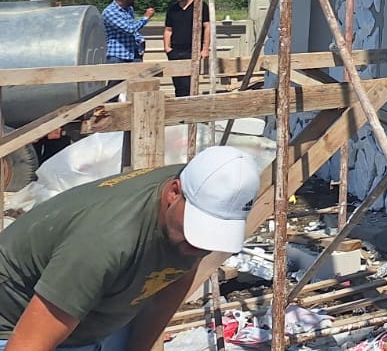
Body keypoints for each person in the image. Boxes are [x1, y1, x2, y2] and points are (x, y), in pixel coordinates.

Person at [0, 146, 261, 351]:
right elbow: (28, 344)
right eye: (198, 228)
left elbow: (176, 277)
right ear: (173, 192)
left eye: (212, 234)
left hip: (98, 318)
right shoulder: (103, 242)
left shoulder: (198, 202)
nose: (199, 245)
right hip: (17, 321)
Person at [161, 0, 210, 98]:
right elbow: (168, 29)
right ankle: (180, 106)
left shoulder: (199, 6)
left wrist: (205, 48)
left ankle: (189, 105)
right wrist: (167, 48)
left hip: (192, 50)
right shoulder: (172, 9)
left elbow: (207, 27)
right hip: (175, 51)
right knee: (178, 84)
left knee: (189, 84)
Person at [102, 0, 154, 64]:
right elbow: (129, 29)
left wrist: (140, 40)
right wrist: (146, 17)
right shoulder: (110, 11)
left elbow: (133, 27)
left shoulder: (129, 9)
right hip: (117, 56)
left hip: (133, 54)